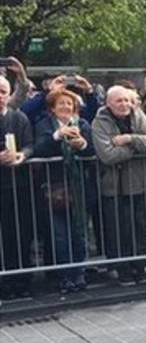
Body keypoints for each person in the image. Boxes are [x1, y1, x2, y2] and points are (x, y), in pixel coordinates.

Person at [92, 85, 146, 285]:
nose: (125, 104)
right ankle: (122, 270)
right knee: (118, 230)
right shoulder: (100, 122)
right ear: (108, 103)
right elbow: (107, 155)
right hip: (113, 186)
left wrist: (128, 139)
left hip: (139, 183)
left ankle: (141, 267)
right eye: (119, 101)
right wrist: (136, 149)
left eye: (127, 100)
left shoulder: (139, 116)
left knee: (140, 227)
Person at [33, 89, 93, 293]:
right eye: (61, 104)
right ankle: (64, 276)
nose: (66, 107)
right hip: (54, 187)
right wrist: (58, 136)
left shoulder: (83, 125)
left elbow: (92, 151)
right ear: (52, 108)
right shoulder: (45, 125)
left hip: (78, 187)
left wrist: (82, 144)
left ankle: (79, 273)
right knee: (59, 235)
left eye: (69, 104)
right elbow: (39, 148)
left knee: (79, 233)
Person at [1, 76, 35, 299]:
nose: (0, 96)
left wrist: (23, 155)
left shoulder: (18, 117)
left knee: (20, 233)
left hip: (17, 185)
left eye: (3, 91)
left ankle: (21, 280)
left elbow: (30, 144)